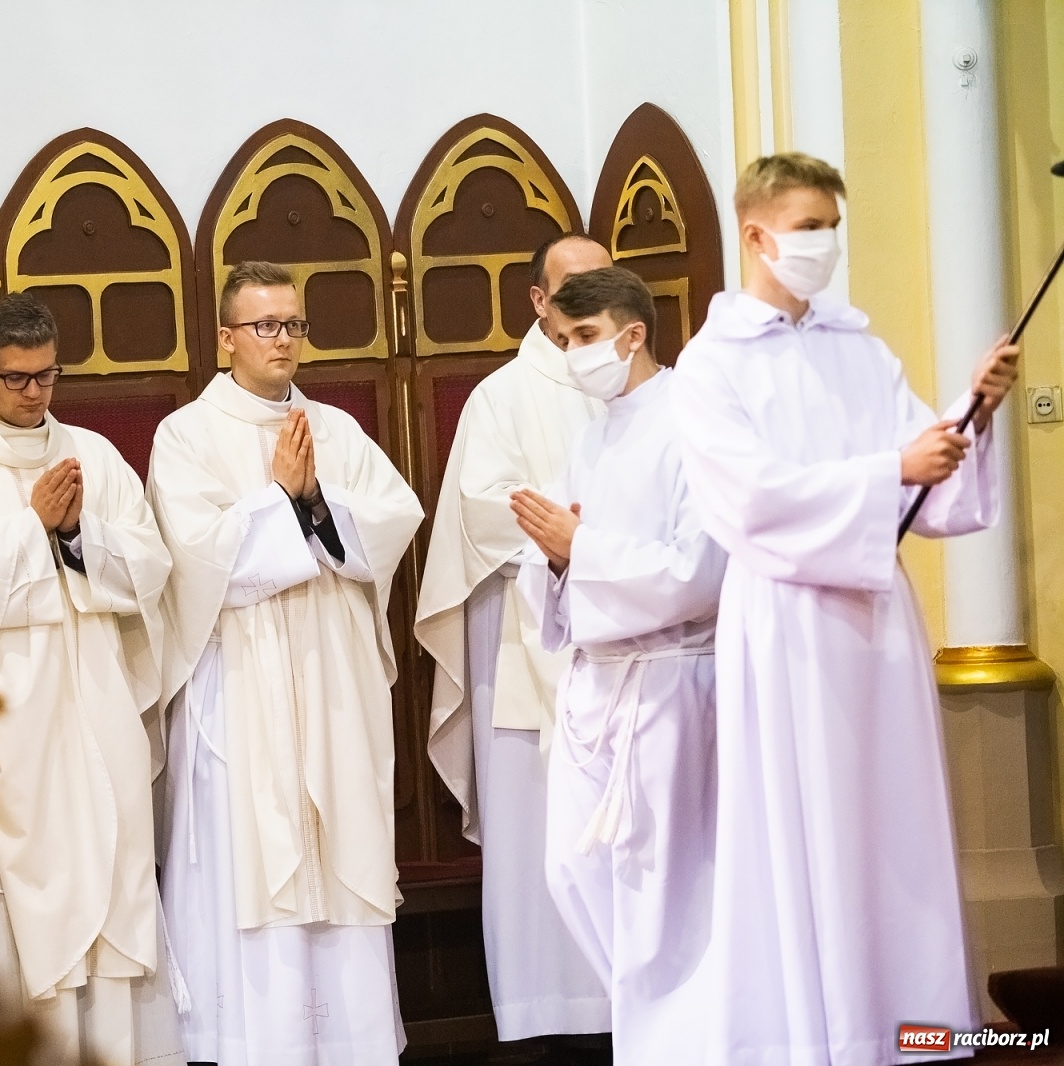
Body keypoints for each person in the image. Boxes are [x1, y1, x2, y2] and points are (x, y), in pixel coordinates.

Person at [671, 152, 1020, 1065]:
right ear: (757, 234)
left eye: (833, 224)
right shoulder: (709, 367)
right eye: (809, 224)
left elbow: (920, 480)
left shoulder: (857, 349)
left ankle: (913, 1028)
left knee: (893, 827)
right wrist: (890, 471)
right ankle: (817, 1038)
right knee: (805, 833)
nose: (826, 242)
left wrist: (967, 420)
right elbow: (750, 501)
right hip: (787, 624)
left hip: (877, 625)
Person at [148, 260, 424, 1065]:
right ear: (227, 337)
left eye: (294, 324)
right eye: (266, 326)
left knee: (340, 842)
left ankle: (353, 1045)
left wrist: (313, 504)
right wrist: (280, 501)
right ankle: (257, 1044)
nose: (284, 341)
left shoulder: (336, 428)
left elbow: (394, 515)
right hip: (244, 678)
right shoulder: (188, 435)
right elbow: (196, 558)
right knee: (256, 844)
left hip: (330, 671)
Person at [0, 293, 182, 1066]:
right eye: (17, 378)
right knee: (15, 920)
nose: (34, 393)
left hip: (96, 702)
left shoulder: (94, 455)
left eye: (48, 376)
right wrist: (33, 530)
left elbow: (151, 566)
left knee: (116, 892)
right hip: (5, 719)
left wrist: (78, 536)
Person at [513, 267, 726, 1063]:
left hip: (669, 684)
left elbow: (698, 570)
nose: (573, 356)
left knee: (661, 888)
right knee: (573, 869)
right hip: (596, 683)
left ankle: (682, 1043)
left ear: (633, 333)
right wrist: (558, 559)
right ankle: (654, 1027)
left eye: (586, 337)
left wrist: (582, 549)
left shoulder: (690, 421)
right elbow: (566, 555)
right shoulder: (592, 431)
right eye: (564, 342)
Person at [414, 234, 613, 1039]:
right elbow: (481, 509)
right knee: (540, 834)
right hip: (529, 636)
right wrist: (569, 534)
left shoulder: (633, 384)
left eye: (606, 283)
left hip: (626, 628)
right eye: (575, 287)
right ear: (538, 301)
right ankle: (545, 1012)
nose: (593, 299)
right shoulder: (502, 395)